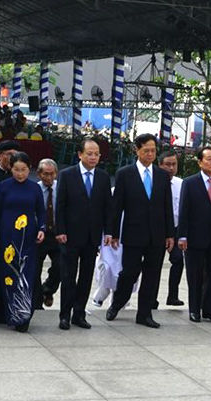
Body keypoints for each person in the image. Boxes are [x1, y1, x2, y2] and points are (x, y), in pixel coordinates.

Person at [106, 134, 174, 328]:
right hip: (133, 233)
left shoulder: (162, 175)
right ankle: (117, 303)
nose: (150, 154)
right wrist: (113, 233)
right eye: (146, 150)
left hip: (156, 235)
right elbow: (117, 206)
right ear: (137, 150)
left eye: (153, 151)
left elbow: (167, 206)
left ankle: (144, 314)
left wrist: (170, 234)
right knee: (129, 273)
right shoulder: (125, 174)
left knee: (152, 275)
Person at [0, 152, 45, 331]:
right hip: (7, 237)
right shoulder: (4, 187)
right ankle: (9, 313)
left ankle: (24, 316)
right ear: (11, 169)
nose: (20, 174)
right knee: (9, 276)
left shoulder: (34, 188)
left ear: (29, 169)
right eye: (16, 170)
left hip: (28, 238)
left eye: (24, 170)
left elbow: (41, 211)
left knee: (26, 275)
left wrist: (41, 229)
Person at [56, 138, 111, 330]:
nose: (93, 157)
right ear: (80, 154)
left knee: (86, 277)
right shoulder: (67, 175)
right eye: (89, 153)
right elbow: (60, 205)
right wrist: (60, 230)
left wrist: (108, 232)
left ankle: (79, 314)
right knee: (68, 276)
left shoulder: (103, 177)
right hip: (70, 235)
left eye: (96, 154)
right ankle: (65, 315)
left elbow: (107, 207)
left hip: (92, 236)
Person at [177, 146, 211, 324]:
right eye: (209, 159)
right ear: (200, 162)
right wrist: (182, 236)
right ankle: (194, 309)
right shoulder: (190, 183)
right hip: (195, 237)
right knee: (195, 275)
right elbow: (184, 210)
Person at [158, 151, 184, 307]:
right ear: (160, 165)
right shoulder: (154, 182)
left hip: (175, 228)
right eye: (167, 164)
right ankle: (151, 298)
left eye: (174, 164)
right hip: (158, 229)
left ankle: (173, 296)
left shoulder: (181, 184)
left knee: (178, 260)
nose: (171, 168)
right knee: (154, 264)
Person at [34, 158, 60, 310]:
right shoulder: (34, 189)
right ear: (39, 174)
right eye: (45, 174)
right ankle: (37, 303)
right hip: (39, 235)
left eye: (52, 174)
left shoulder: (61, 188)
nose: (49, 177)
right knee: (35, 270)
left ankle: (48, 289)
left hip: (57, 234)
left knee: (60, 267)